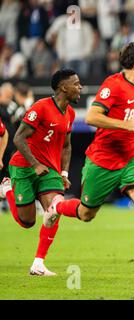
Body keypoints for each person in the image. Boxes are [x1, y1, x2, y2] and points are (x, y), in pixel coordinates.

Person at [44, 41, 134, 283]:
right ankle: (57, 207)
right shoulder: (113, 85)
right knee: (86, 213)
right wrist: (126, 126)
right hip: (102, 159)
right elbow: (92, 116)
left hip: (130, 158)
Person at [0, 69, 81, 276]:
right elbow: (18, 137)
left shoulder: (70, 113)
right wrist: (35, 164)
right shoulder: (41, 107)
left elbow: (67, 146)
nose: (80, 87)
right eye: (76, 84)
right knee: (27, 222)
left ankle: (38, 264)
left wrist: (64, 173)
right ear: (63, 87)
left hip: (49, 171)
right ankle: (7, 188)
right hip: (24, 167)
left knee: (54, 210)